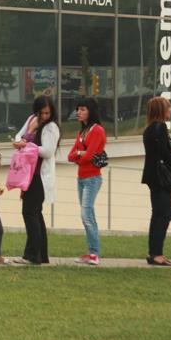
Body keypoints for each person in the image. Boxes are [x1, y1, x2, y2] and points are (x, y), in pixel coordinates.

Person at [11, 96, 59, 265]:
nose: (45, 116)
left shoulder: (51, 127)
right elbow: (19, 136)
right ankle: (40, 255)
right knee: (35, 214)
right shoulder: (31, 120)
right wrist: (26, 137)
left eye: (48, 113)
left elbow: (47, 151)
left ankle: (32, 255)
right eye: (42, 113)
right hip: (28, 174)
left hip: (39, 176)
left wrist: (26, 145)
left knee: (30, 213)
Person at [67, 97, 108, 265]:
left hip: (92, 178)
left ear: (90, 111)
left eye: (82, 109)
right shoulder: (82, 132)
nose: (79, 112)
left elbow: (90, 155)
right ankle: (91, 252)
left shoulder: (97, 130)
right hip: (81, 178)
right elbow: (70, 156)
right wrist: (80, 154)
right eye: (78, 109)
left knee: (86, 215)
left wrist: (80, 154)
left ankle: (94, 254)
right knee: (88, 215)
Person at [141, 96, 171, 266]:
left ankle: (154, 252)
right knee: (164, 213)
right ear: (162, 110)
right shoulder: (160, 127)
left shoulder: (148, 129)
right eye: (168, 108)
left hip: (152, 175)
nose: (170, 111)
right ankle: (157, 253)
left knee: (158, 213)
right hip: (160, 176)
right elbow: (165, 154)